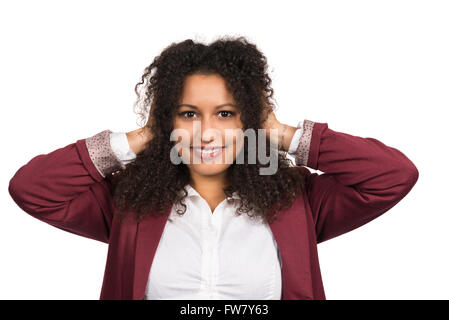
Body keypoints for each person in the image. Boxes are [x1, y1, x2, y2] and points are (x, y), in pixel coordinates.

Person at [8, 36, 419, 300]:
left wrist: (278, 131)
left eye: (225, 113)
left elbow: (392, 176)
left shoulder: (298, 200)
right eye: (188, 114)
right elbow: (32, 189)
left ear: (250, 119)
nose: (206, 134)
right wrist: (144, 135)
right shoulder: (129, 201)